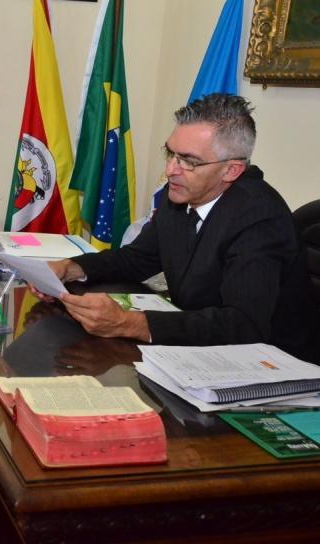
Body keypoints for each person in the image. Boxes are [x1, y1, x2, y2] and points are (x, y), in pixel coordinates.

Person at [36, 93, 319, 362]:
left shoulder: (259, 216)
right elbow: (136, 258)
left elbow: (243, 325)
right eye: (170, 154)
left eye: (188, 160)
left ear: (231, 170)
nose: (171, 169)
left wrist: (127, 323)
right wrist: (70, 267)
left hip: (270, 368)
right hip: (200, 351)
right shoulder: (184, 194)